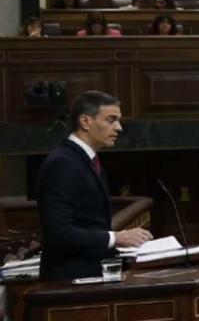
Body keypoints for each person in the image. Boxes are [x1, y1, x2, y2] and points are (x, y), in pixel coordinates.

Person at [37, 91, 153, 280]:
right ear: (85, 122)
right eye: (111, 120)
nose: (119, 127)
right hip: (69, 282)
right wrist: (116, 238)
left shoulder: (86, 159)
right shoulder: (63, 163)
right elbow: (58, 233)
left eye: (118, 120)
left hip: (89, 274)